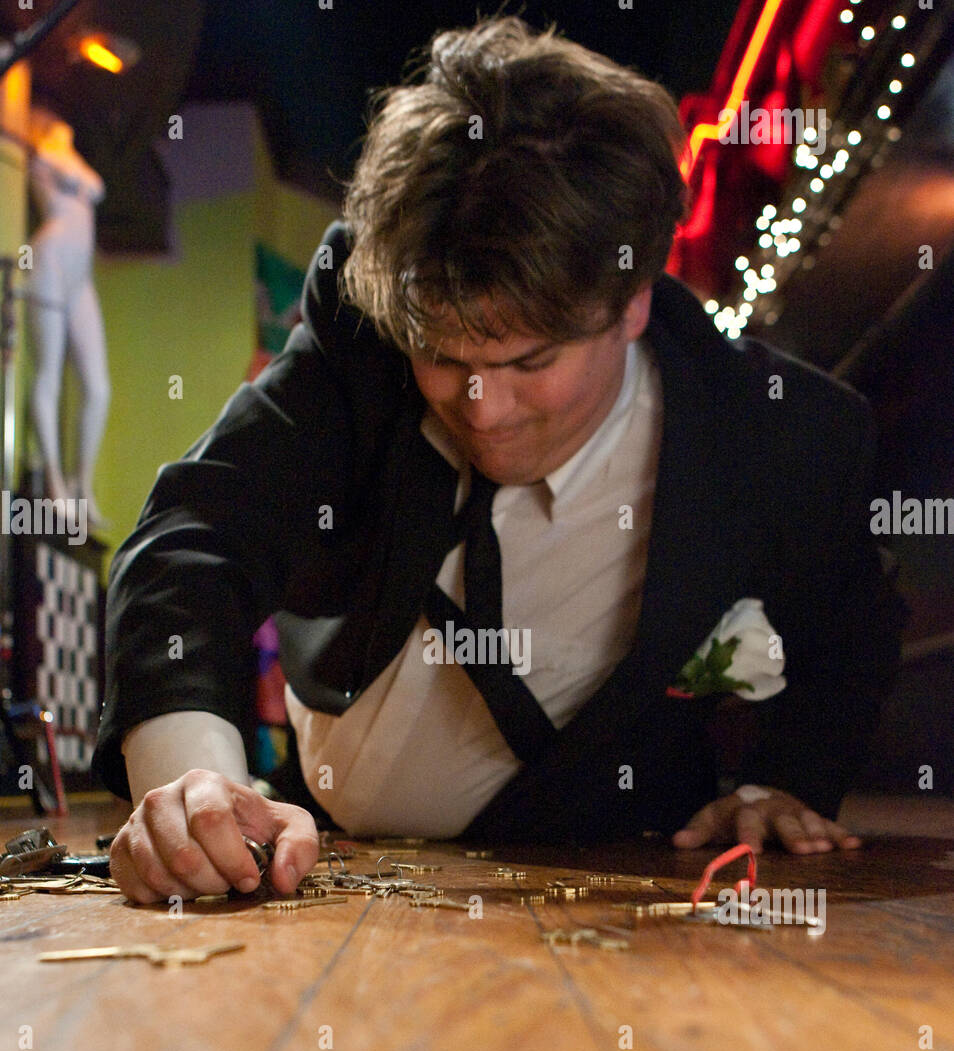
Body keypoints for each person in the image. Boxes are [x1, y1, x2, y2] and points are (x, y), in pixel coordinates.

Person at [92, 17, 903, 904]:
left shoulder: (786, 435)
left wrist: (782, 785)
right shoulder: (364, 336)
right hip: (320, 860)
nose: (485, 409)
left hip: (617, 881)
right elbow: (196, 536)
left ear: (631, 301)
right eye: (445, 357)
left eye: (528, 363)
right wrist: (192, 780)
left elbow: (851, 620)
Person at [27, 106, 111, 529]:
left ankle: (82, 483)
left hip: (81, 275)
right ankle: (54, 482)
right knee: (49, 374)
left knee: (98, 387)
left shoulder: (74, 154)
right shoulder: (42, 151)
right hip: (50, 260)